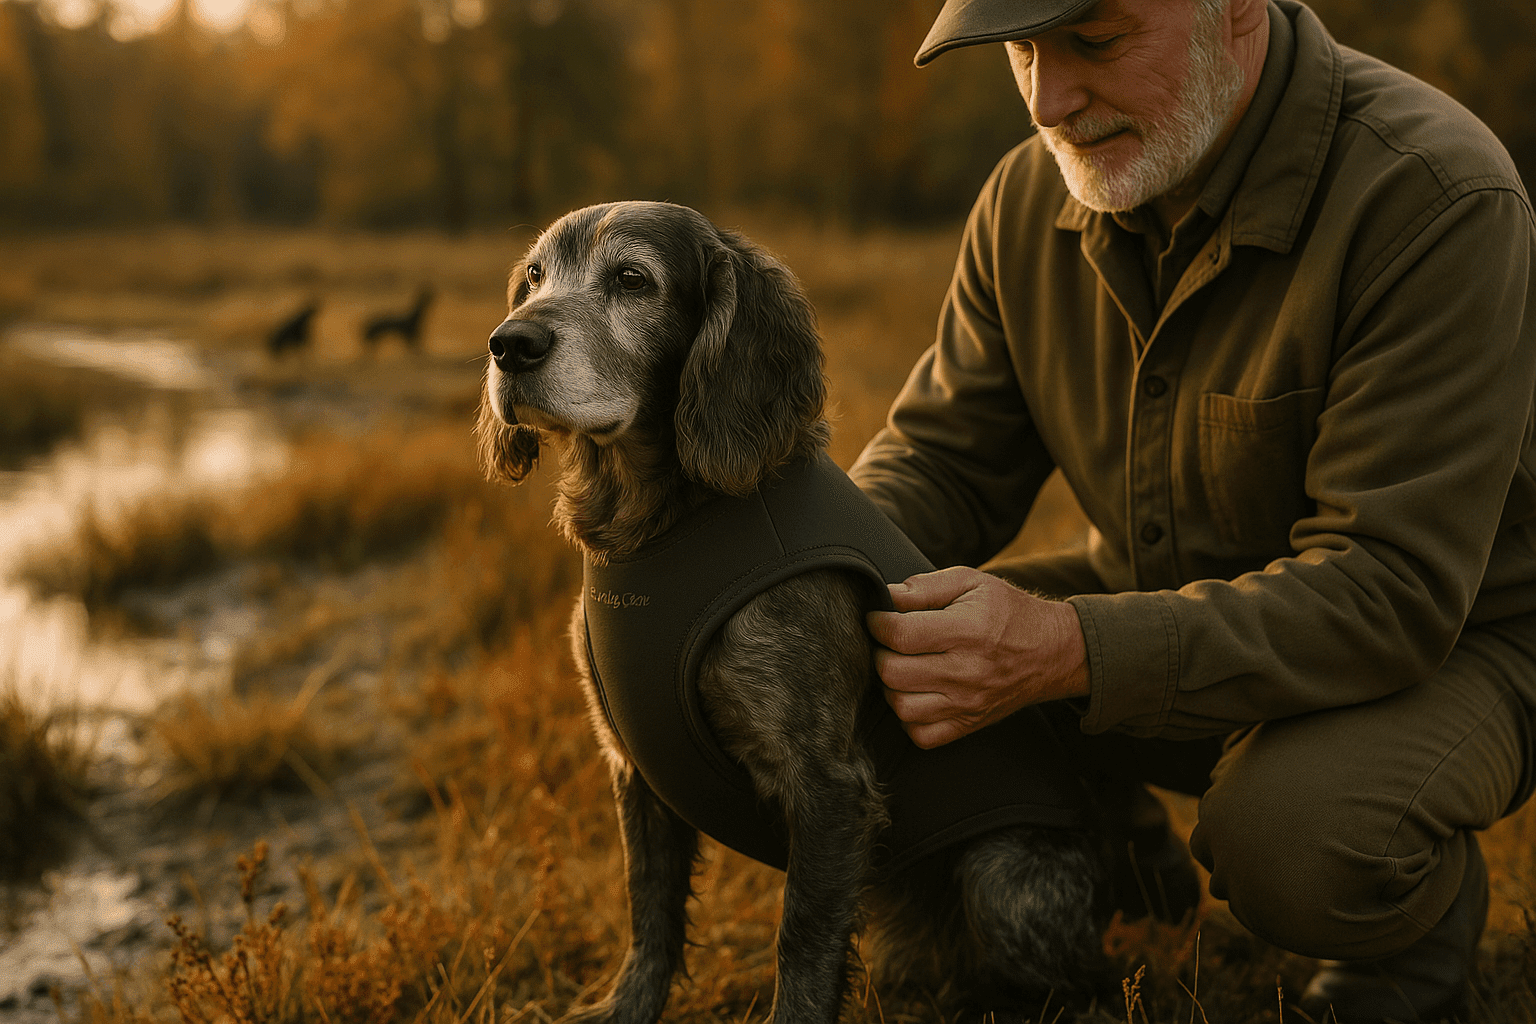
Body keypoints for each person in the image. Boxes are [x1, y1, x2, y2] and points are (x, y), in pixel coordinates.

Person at [851, 0, 1536, 1020]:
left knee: (1295, 833)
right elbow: (942, 466)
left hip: (1457, 639)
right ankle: (1118, 855)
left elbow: (1390, 591)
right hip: (1169, 603)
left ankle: (1409, 930)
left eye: (1095, 41)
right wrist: (807, 571)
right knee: (889, 656)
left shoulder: (1433, 195)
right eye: (1022, 51)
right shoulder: (1024, 201)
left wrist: (1065, 649)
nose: (1048, 100)